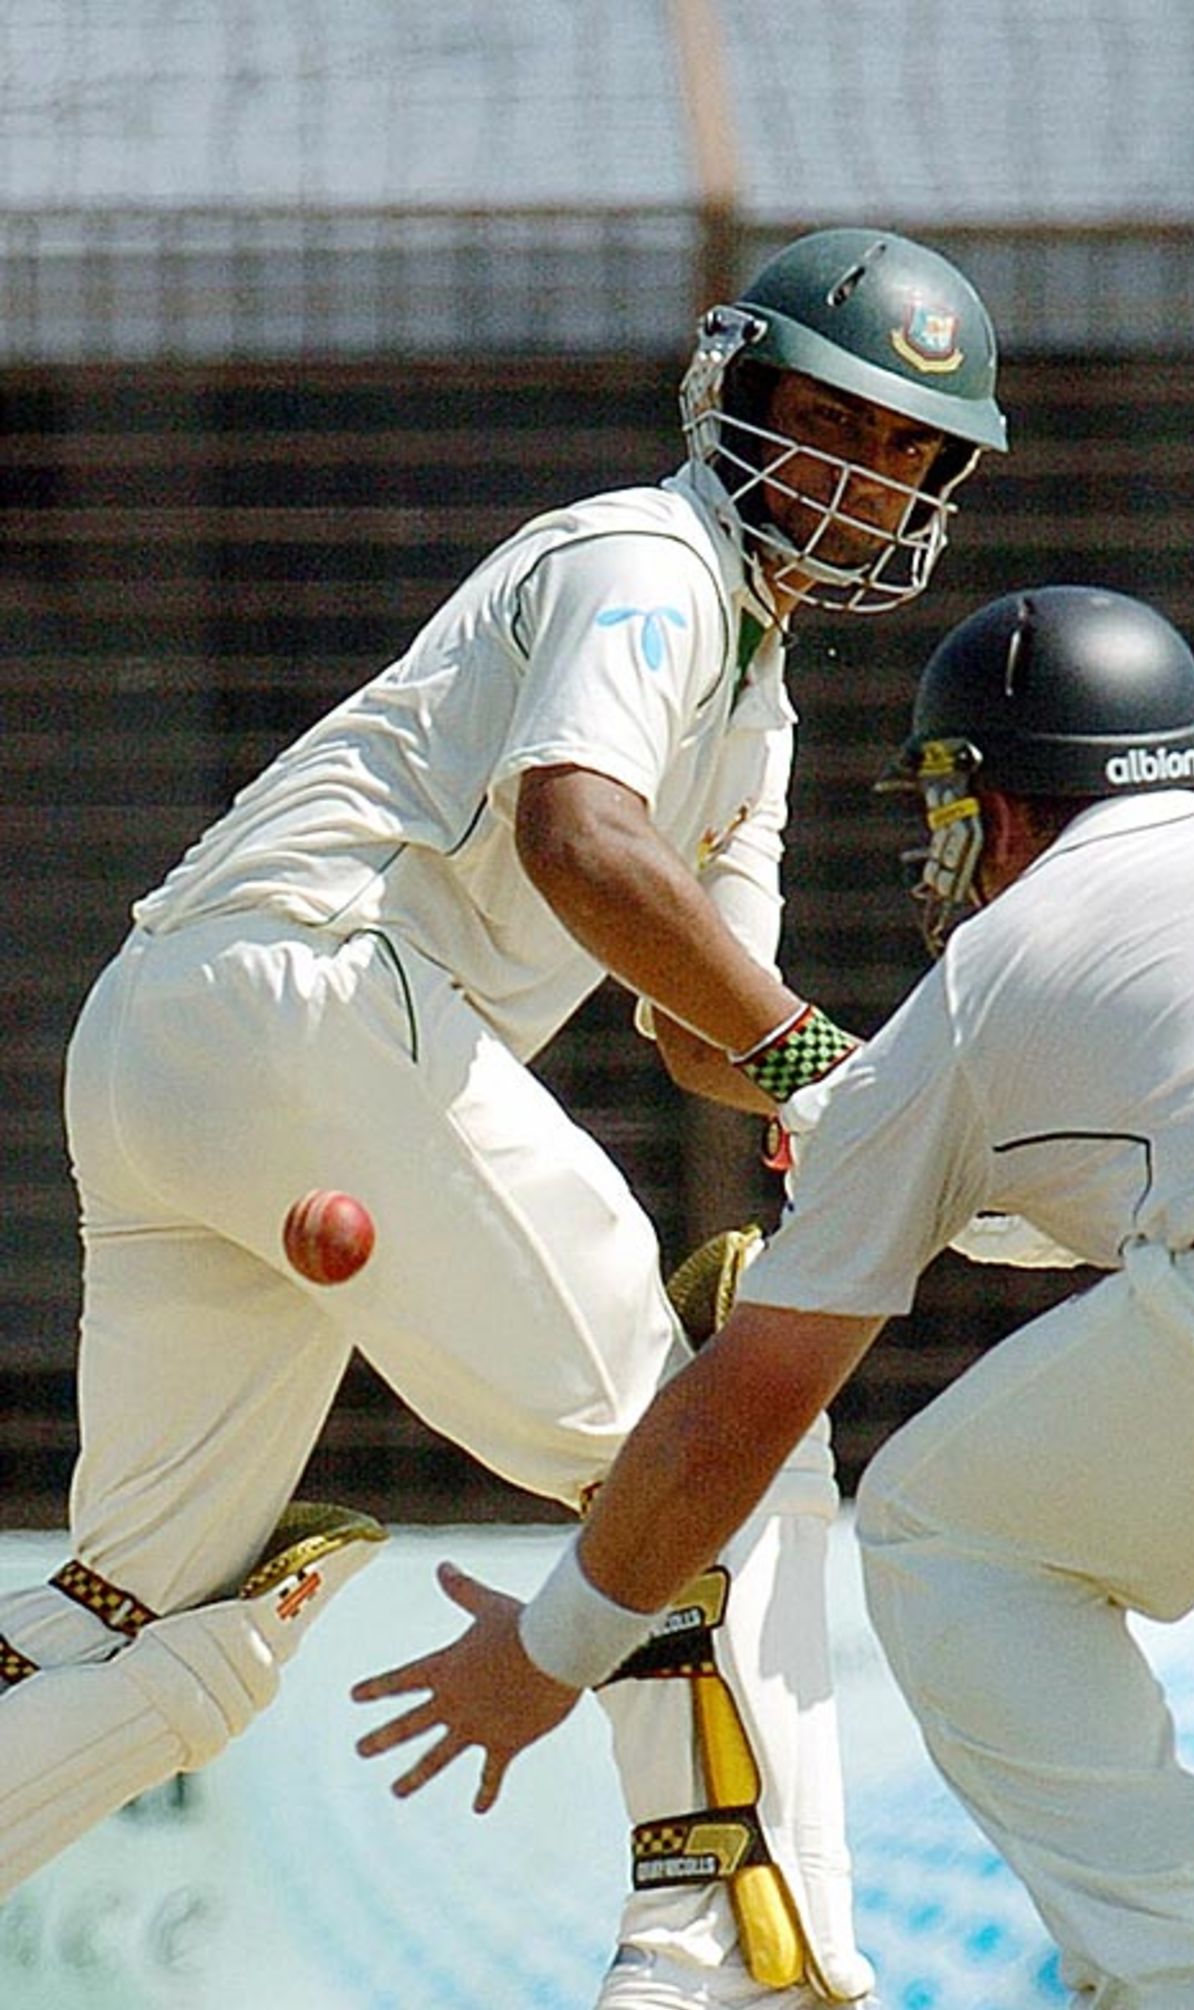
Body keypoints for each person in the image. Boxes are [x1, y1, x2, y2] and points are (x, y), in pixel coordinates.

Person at [0, 224, 1006, 2008]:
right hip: (314, 1004)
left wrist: (853, 1089)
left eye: (906, 449)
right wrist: (816, 1071)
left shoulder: (751, 694)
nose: (862, 472)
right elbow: (580, 839)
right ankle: (728, 1963)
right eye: (828, 418)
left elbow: (702, 1018)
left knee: (158, 1628)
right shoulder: (652, 559)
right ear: (737, 395)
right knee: (716, 1432)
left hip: (175, 1046)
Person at [354, 585, 1194, 2010]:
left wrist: (549, 1653)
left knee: (945, 1526)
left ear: (999, 811)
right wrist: (869, 1134)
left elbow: (750, 1401)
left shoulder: (990, 977)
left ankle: (1187, 1984)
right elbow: (1134, 1178)